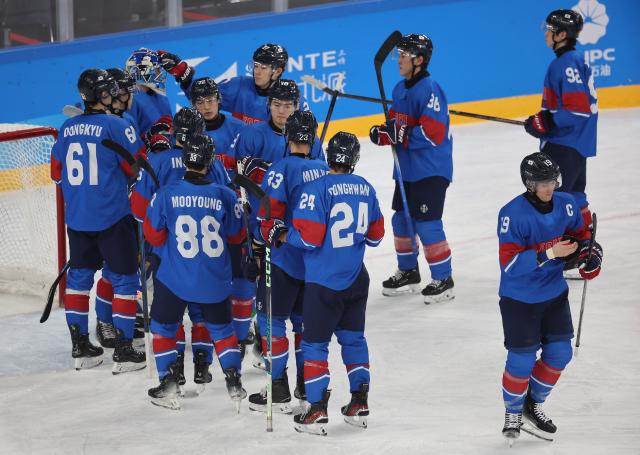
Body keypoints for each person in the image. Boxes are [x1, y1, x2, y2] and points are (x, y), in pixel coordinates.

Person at [273, 132, 384, 435]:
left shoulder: (316, 187)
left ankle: (316, 409)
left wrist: (282, 235)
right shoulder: (366, 188)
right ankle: (359, 402)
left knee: (314, 345)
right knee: (354, 340)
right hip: (356, 279)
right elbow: (375, 237)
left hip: (324, 284)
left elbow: (308, 238)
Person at [498, 153, 603, 442]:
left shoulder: (567, 203)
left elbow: (583, 238)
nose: (549, 187)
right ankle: (513, 411)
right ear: (529, 184)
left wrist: (590, 256)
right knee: (521, 359)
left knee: (560, 354)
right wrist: (549, 253)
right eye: (541, 182)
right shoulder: (512, 214)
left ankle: (532, 404)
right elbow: (509, 265)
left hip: (553, 293)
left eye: (552, 181)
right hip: (519, 298)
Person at [50, 69, 145, 373]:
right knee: (125, 281)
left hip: (78, 218)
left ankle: (80, 347)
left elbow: (55, 173)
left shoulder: (65, 128)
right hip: (113, 216)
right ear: (103, 95)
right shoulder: (116, 126)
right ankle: (125, 349)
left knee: (78, 280)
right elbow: (136, 167)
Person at [143, 134, 247, 410]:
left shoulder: (166, 194)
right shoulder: (226, 194)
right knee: (223, 330)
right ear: (210, 161)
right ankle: (234, 380)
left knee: (163, 326)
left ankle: (169, 382)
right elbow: (237, 237)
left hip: (175, 279)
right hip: (214, 279)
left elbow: (152, 236)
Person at [131, 109, 230, 394]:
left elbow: (139, 211)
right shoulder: (212, 162)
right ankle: (202, 362)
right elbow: (228, 203)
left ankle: (173, 372)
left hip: (165, 252)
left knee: (168, 315)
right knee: (202, 309)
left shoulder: (158, 159)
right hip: (207, 252)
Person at [245, 110, 329, 414]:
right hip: (316, 266)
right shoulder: (325, 170)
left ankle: (277, 387)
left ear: (288, 135)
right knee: (304, 327)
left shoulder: (279, 170)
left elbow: (267, 220)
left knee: (272, 322)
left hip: (283, 261)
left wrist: (256, 246)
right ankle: (306, 385)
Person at [369, 33, 454, 303]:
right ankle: (409, 272)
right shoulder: (399, 89)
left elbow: (434, 134)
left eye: (403, 55)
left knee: (427, 224)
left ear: (418, 60)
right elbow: (396, 127)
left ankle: (444, 278)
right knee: (401, 220)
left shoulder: (430, 89)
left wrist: (400, 133)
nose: (399, 60)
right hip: (406, 170)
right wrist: (383, 133)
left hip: (430, 169)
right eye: (399, 54)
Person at [524, 9, 597, 278]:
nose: (546, 33)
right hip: (575, 145)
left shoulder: (565, 63)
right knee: (575, 198)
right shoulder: (573, 60)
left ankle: (566, 255)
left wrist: (545, 123)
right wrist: (543, 121)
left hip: (566, 144)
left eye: (550, 29)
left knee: (557, 200)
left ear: (562, 34)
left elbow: (576, 110)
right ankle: (584, 254)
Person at [189, 77, 255, 354]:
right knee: (209, 276)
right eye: (200, 102)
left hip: (236, 215)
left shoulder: (239, 129)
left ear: (220, 100)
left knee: (241, 276)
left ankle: (240, 333)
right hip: (201, 216)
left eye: (211, 100)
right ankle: (211, 329)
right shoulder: (189, 133)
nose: (206, 106)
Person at [125, 48, 174, 139]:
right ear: (143, 73)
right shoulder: (131, 100)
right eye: (156, 70)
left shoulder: (159, 95)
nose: (159, 73)